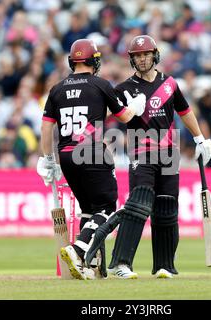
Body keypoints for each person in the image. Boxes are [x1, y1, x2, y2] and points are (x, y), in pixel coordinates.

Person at [85, 35, 211, 279]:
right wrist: (131, 108)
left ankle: (164, 265)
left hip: (169, 153)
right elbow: (108, 117)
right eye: (137, 56)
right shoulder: (123, 89)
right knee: (138, 205)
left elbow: (185, 112)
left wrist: (199, 138)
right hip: (141, 152)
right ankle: (121, 264)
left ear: (155, 55)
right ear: (132, 60)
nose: (142, 59)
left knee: (166, 208)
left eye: (146, 54)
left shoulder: (170, 85)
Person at [37, 38, 146, 280]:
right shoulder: (100, 85)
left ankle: (89, 264)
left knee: (89, 210)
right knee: (107, 208)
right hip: (91, 152)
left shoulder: (56, 89)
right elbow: (125, 117)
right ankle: (77, 250)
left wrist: (48, 159)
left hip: (66, 156)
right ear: (94, 61)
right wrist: (136, 106)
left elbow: (46, 129)